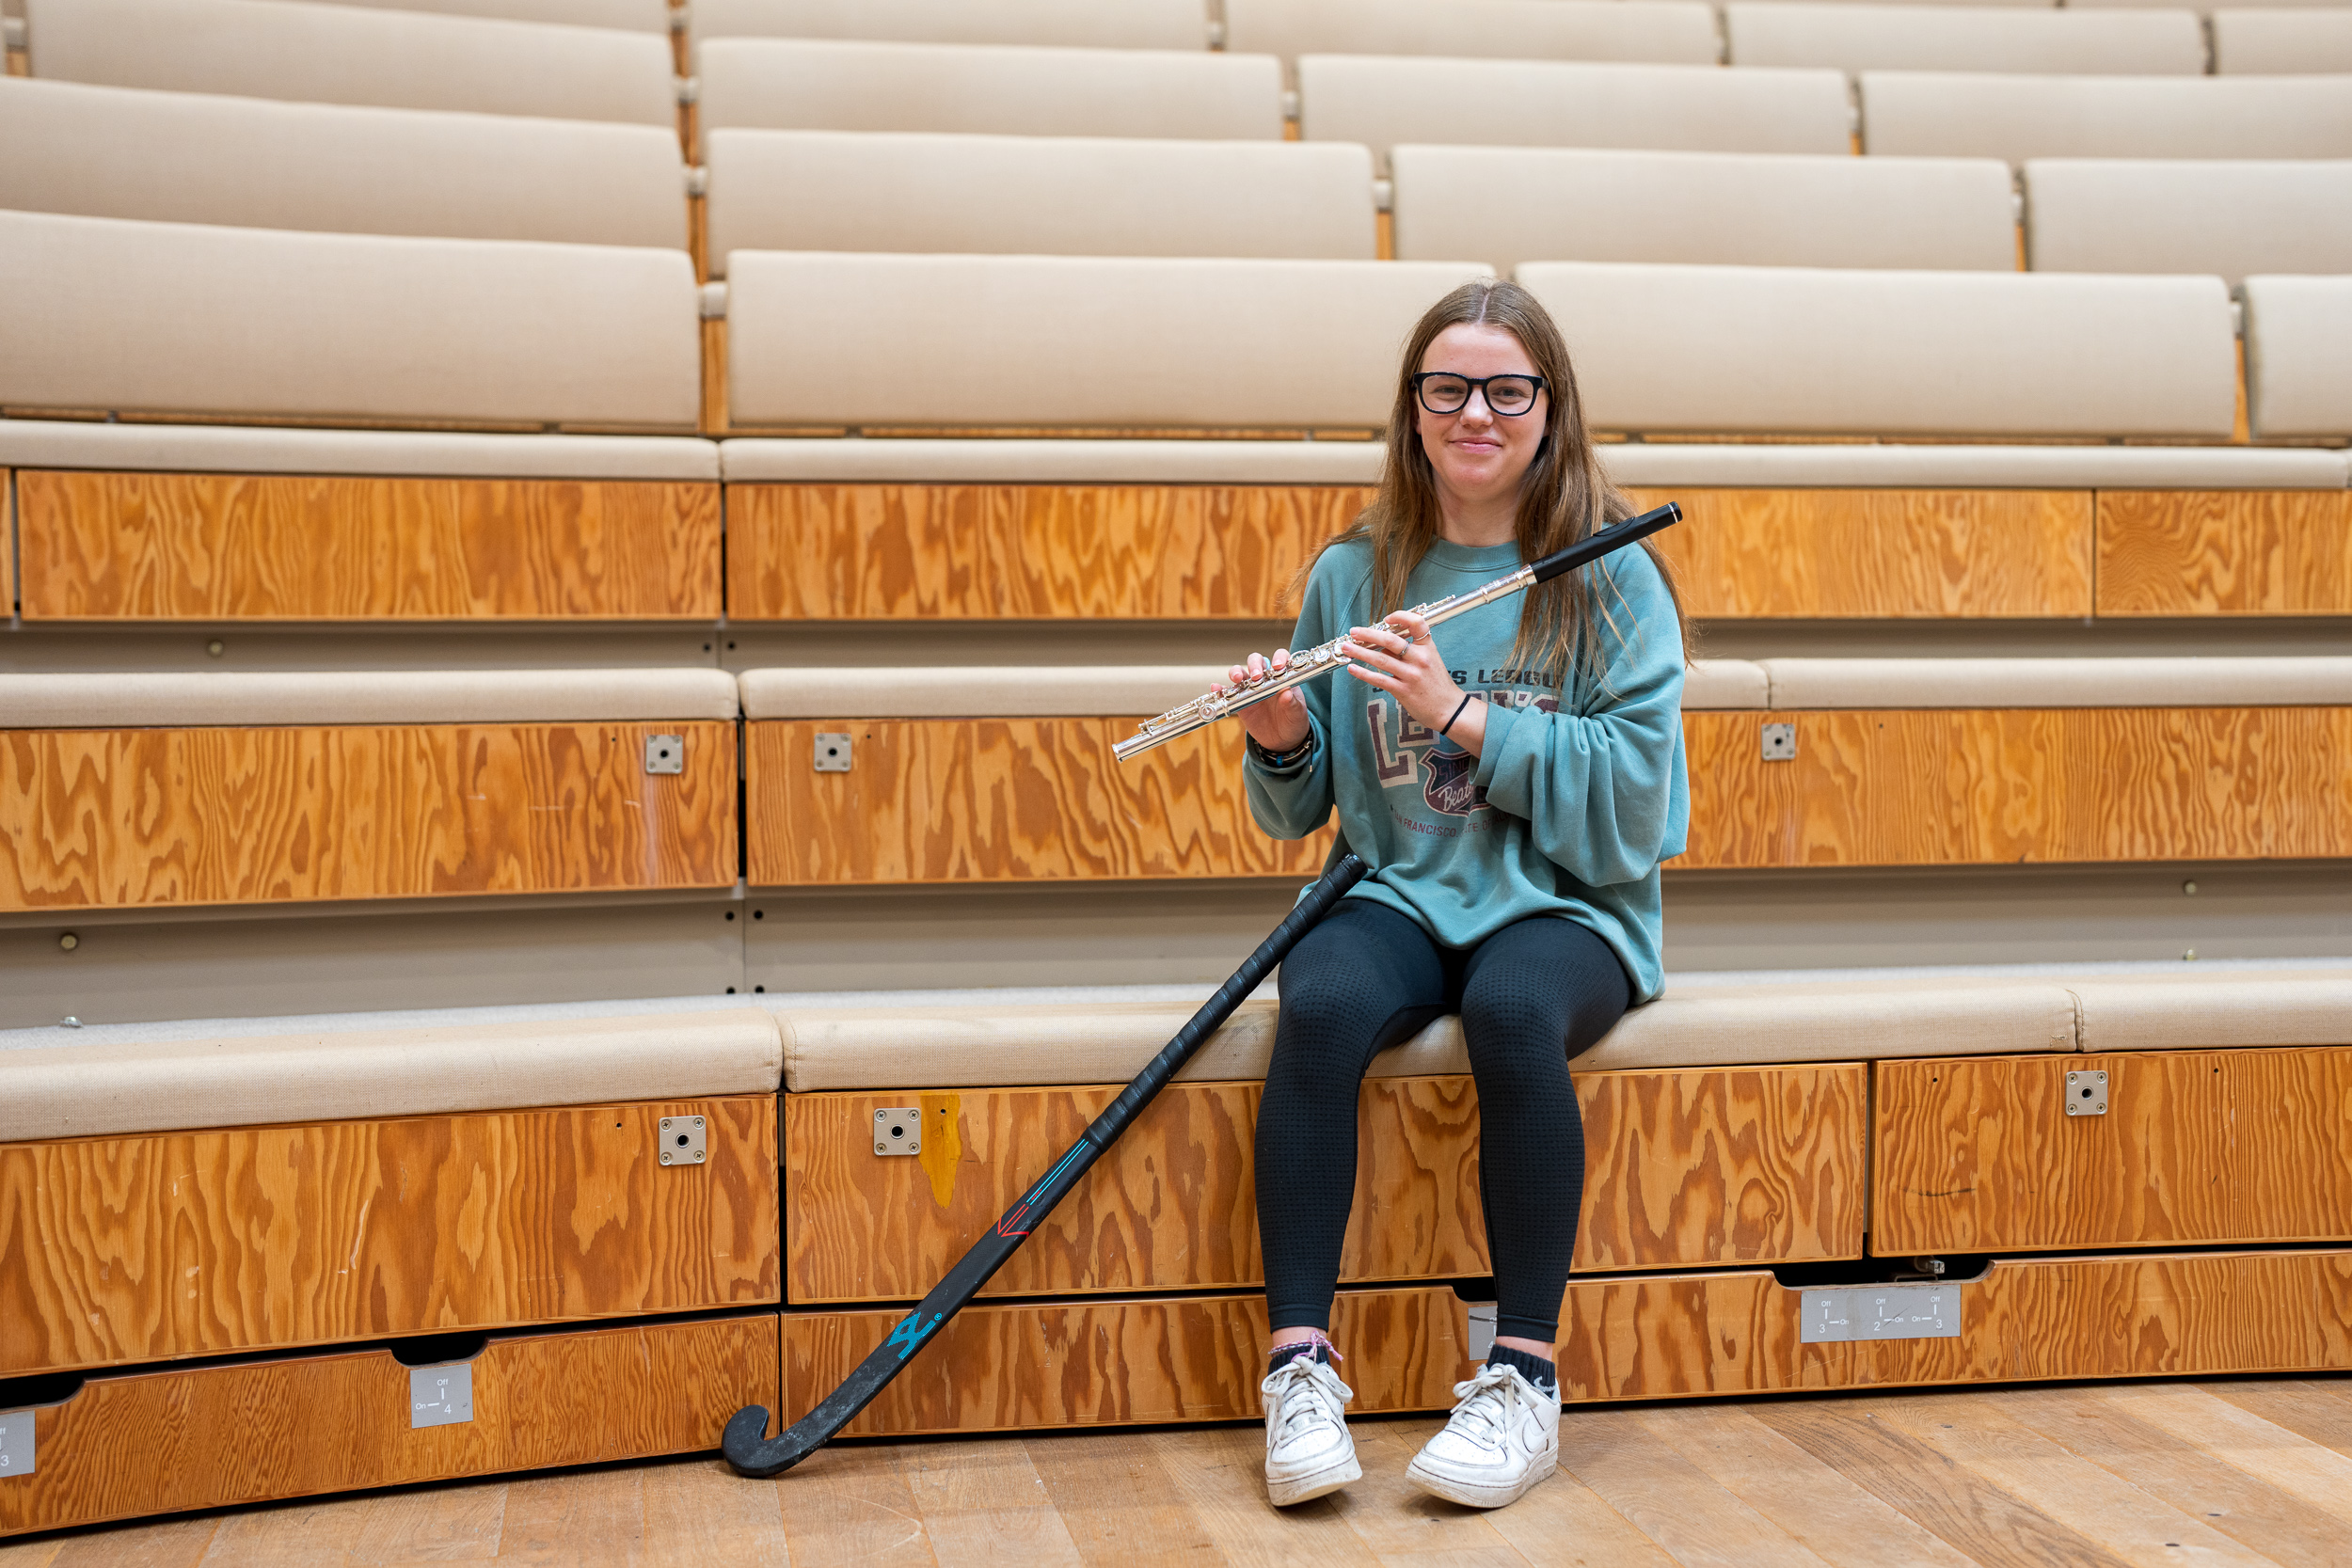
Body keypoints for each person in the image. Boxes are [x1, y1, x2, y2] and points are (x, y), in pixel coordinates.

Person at [1229, 279, 1690, 1511]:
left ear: (1550, 409)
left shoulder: (1609, 577)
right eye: (1447, 388)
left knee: (1513, 1007)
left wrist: (1460, 714)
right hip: (1398, 889)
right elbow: (1302, 808)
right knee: (1315, 999)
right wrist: (1279, 734)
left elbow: (1641, 807)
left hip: (1565, 900)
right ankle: (1300, 1370)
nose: (1475, 412)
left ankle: (1523, 1378)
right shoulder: (1356, 571)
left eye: (1506, 389)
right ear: (1413, 410)